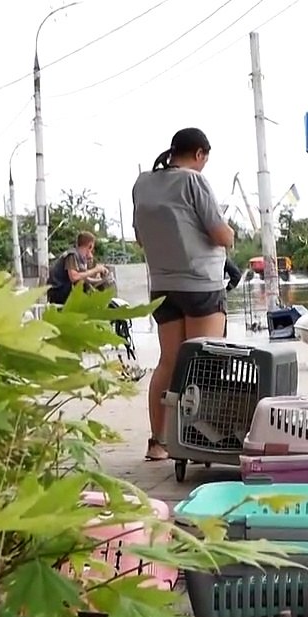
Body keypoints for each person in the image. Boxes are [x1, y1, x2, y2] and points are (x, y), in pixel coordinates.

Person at [132, 127, 235, 462]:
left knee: (168, 363)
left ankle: (158, 443)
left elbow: (140, 239)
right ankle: (198, 442)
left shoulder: (142, 184)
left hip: (163, 287)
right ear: (200, 154)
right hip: (201, 285)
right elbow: (220, 234)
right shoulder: (194, 181)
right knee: (204, 366)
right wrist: (231, 233)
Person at [47, 232, 110, 305]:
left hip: (62, 290)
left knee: (88, 287)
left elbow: (84, 278)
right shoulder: (72, 255)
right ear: (90, 246)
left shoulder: (79, 258)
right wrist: (95, 270)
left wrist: (100, 280)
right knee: (83, 288)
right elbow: (74, 277)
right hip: (58, 290)